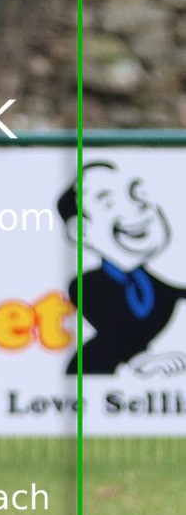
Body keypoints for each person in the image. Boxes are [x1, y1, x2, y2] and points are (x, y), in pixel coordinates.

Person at [58, 160, 186, 375]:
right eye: (108, 202)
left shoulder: (159, 286)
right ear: (81, 230)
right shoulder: (87, 285)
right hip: (94, 378)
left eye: (137, 194)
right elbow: (113, 332)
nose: (137, 206)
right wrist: (138, 359)